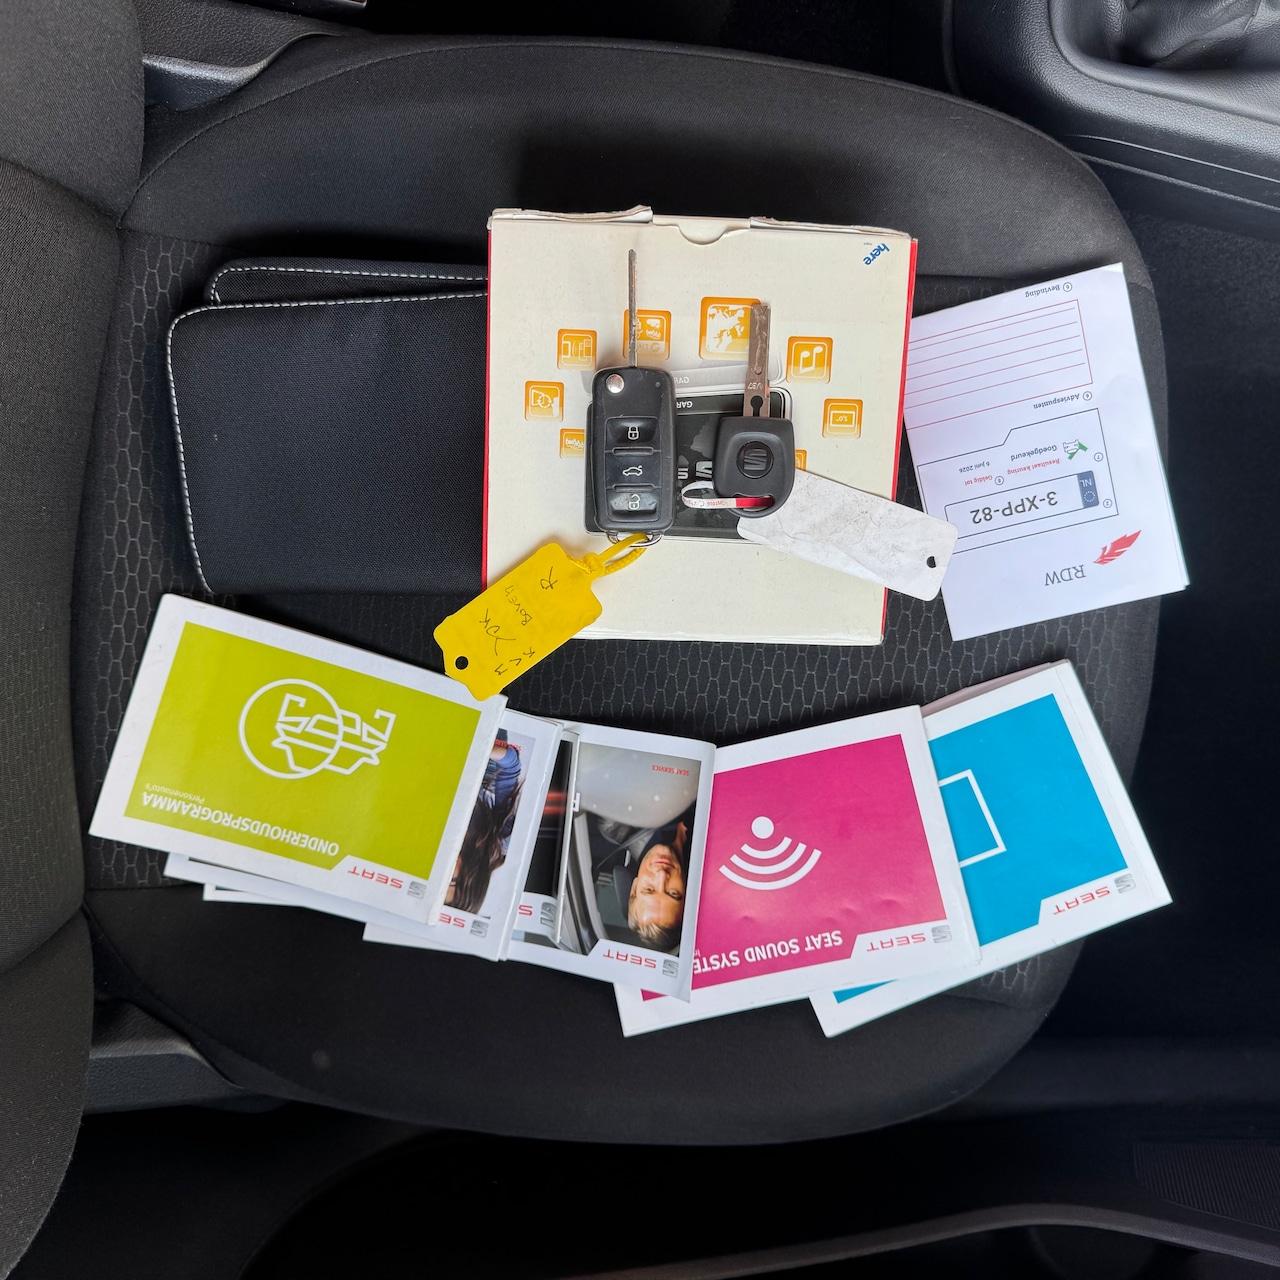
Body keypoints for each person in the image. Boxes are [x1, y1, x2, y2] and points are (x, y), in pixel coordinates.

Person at [446, 734, 522, 914]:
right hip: (482, 743)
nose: (445, 873)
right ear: (473, 879)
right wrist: (481, 748)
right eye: (452, 880)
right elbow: (510, 766)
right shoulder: (499, 840)